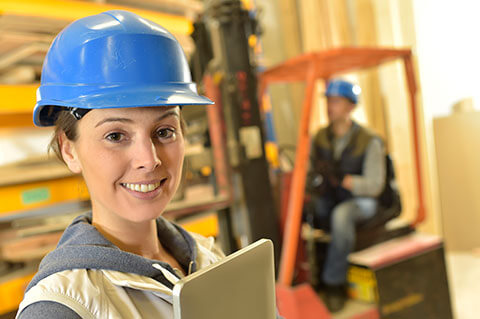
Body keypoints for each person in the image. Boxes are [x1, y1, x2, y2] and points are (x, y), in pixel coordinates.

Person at [16, 10, 225, 318]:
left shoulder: (208, 257)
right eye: (115, 135)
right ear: (68, 149)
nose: (149, 159)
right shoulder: (61, 306)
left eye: (164, 132)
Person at [306, 79, 386, 312]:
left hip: (363, 201)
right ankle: (310, 276)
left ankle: (333, 284)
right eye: (329, 101)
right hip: (333, 197)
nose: (330, 107)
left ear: (351, 107)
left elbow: (375, 186)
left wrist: (347, 181)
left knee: (342, 215)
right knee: (310, 209)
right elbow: (310, 172)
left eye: (337, 102)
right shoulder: (319, 138)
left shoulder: (369, 141)